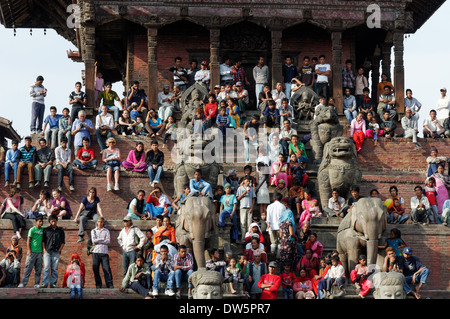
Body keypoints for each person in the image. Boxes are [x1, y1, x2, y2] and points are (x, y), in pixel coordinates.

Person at [18, 215, 44, 288]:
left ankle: (36, 284)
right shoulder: (32, 229)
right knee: (28, 268)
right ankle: (23, 283)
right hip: (32, 252)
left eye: (42, 221)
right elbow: (28, 240)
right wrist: (29, 250)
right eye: (39, 221)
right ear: (36, 222)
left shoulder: (43, 229)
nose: (41, 223)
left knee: (38, 269)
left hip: (40, 253)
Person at [40, 215, 65, 288]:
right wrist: (44, 249)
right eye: (52, 221)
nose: (54, 223)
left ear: (57, 221)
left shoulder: (60, 231)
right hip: (47, 251)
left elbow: (63, 242)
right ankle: (44, 283)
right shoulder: (46, 230)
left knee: (54, 268)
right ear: (50, 222)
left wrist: (59, 250)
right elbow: (43, 241)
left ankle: (53, 283)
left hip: (56, 252)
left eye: (55, 221)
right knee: (46, 267)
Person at [90, 216, 114, 288]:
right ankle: (98, 284)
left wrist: (98, 240)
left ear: (103, 223)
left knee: (106, 268)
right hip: (96, 252)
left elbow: (108, 241)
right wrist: (102, 239)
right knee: (95, 268)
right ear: (97, 222)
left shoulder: (106, 231)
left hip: (104, 252)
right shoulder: (93, 231)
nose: (100, 223)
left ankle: (109, 284)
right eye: (99, 222)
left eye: (101, 222)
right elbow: (93, 241)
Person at [237, 176, 256, 244]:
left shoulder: (251, 189)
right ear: (243, 181)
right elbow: (238, 198)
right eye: (247, 181)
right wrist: (244, 193)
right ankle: (243, 238)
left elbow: (253, 198)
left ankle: (249, 238)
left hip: (249, 207)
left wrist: (252, 207)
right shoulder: (240, 188)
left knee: (249, 224)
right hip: (242, 207)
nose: (248, 182)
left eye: (249, 181)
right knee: (243, 223)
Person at [279, 201, 297, 268]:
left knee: (284, 260)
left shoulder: (281, 224)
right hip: (289, 243)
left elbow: (280, 235)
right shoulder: (289, 223)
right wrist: (296, 237)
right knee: (290, 260)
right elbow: (291, 233)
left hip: (283, 243)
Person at [265, 193, 284, 258]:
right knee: (280, 243)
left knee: (273, 243)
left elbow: (268, 218)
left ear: (274, 198)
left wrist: (268, 226)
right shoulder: (282, 206)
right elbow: (283, 218)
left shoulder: (269, 206)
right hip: (279, 227)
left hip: (271, 226)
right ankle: (278, 257)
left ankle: (272, 256)